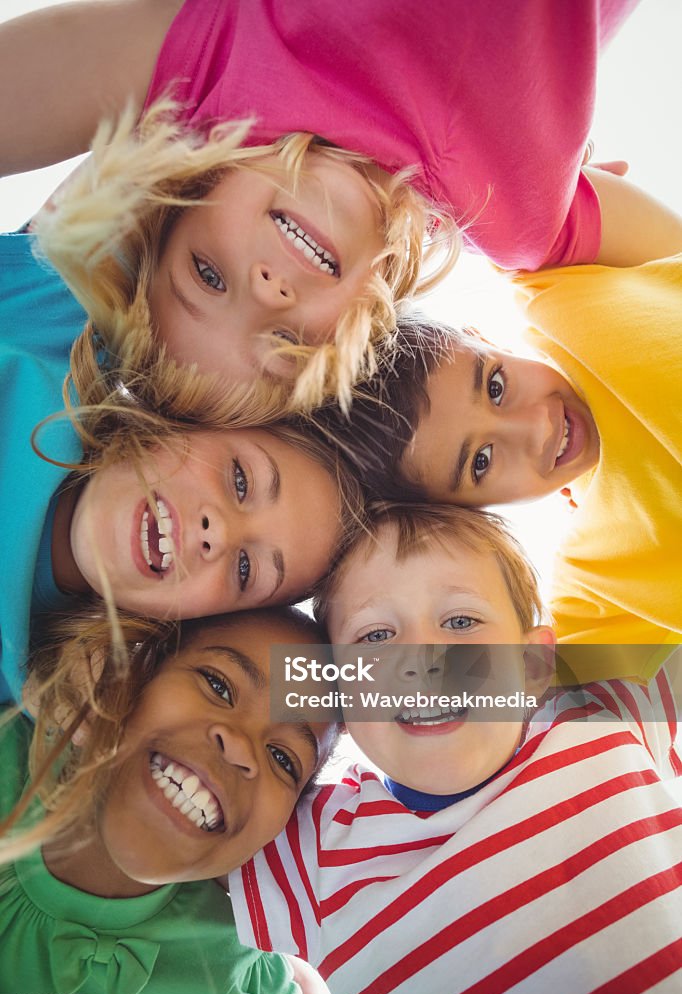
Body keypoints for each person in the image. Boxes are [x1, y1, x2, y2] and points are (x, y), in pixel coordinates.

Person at [1, 0, 645, 407]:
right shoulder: (516, 223)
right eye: (284, 342)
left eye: (207, 275)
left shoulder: (215, 61)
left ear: (186, 193)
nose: (266, 291)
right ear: (353, 330)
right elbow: (665, 261)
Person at [225, 504, 682, 994]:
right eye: (375, 636)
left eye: (460, 621)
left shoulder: (605, 718)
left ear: (532, 665)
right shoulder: (310, 846)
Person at [308, 182, 682, 661]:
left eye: (496, 386)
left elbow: (518, 183)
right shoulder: (603, 579)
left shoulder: (559, 286)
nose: (538, 427)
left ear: (478, 336)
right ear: (470, 511)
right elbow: (515, 702)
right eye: (481, 461)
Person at [0, 239, 364, 704]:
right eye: (240, 480)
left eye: (246, 569)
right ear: (188, 421)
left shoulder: (30, 683)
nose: (218, 535)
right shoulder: (67, 322)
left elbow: (477, 684)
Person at [0, 605, 343, 994]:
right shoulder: (11, 746)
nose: (238, 746)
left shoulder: (226, 975)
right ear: (134, 669)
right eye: (218, 685)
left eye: (283, 759)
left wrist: (307, 986)